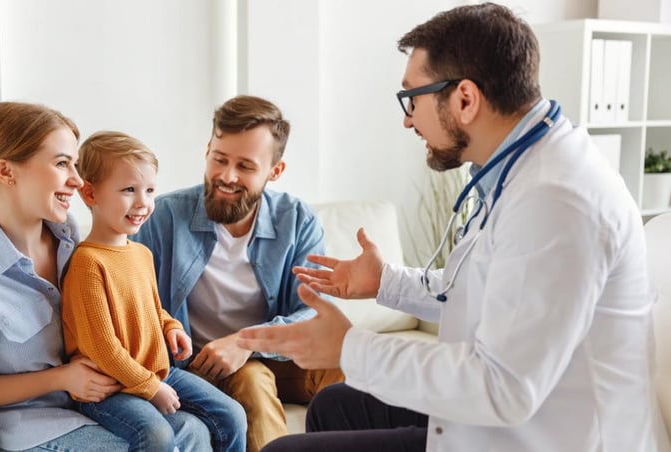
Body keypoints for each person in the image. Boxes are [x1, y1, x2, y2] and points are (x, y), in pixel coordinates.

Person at [237, 3, 670, 452]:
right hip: (522, 406)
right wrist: (386, 282)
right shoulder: (521, 166)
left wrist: (350, 347)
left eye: (412, 99)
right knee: (334, 404)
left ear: (464, 99)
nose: (407, 119)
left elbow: (504, 389)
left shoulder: (557, 201)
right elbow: (487, 292)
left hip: (546, 433)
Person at [131, 94, 344, 451]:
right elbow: (133, 301)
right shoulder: (163, 217)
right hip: (201, 365)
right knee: (252, 379)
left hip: (276, 354)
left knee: (353, 364)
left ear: (274, 171)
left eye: (245, 166)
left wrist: (247, 342)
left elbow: (313, 312)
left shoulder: (297, 220)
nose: (227, 176)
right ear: (207, 151)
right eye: (220, 159)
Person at [0, 101, 131, 451]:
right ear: (6, 172)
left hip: (97, 402)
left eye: (74, 165)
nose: (77, 181)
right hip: (34, 425)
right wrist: (61, 378)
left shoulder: (70, 236)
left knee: (191, 429)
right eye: (62, 163)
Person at [61, 131, 246, 452]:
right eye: (129, 190)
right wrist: (150, 387)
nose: (143, 202)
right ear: (90, 193)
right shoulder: (87, 262)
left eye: (149, 190)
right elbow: (102, 348)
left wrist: (170, 326)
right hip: (110, 389)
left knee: (233, 414)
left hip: (158, 371)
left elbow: (150, 309)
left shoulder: (141, 253)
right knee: (157, 435)